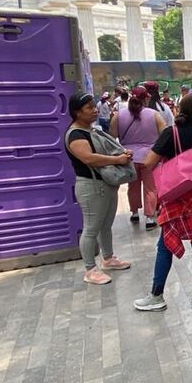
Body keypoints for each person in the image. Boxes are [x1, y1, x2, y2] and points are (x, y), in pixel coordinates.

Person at [134, 95, 192, 312]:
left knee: (165, 245)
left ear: (180, 110)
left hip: (176, 197)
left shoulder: (171, 134)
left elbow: (148, 162)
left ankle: (157, 295)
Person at [65, 92, 134, 285]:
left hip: (106, 183)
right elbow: (89, 158)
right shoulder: (76, 135)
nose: (95, 110)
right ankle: (90, 269)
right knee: (91, 228)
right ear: (77, 112)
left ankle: (108, 258)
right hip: (90, 186)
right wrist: (117, 160)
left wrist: (122, 154)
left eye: (94, 106)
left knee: (105, 225)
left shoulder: (92, 130)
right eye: (89, 108)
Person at [110, 86, 166, 229]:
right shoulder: (154, 115)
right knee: (150, 188)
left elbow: (111, 138)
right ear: (146, 98)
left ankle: (134, 213)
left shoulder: (118, 115)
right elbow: (165, 135)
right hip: (150, 157)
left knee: (132, 187)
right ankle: (150, 218)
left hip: (129, 158)